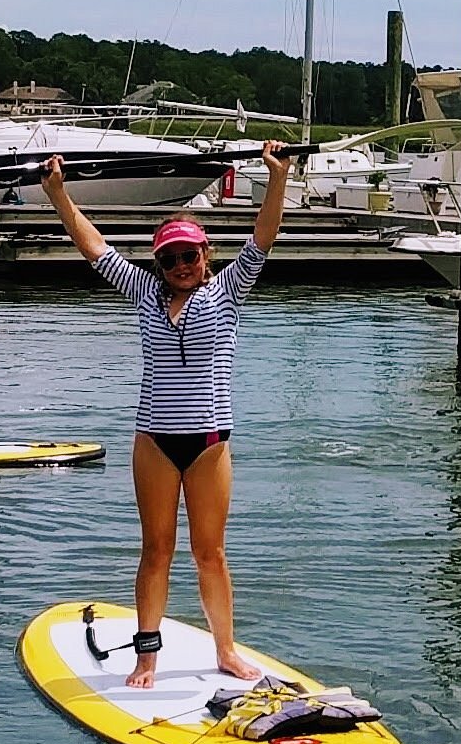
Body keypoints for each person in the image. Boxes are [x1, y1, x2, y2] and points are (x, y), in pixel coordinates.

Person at [42, 140, 295, 688]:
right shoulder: (143, 292)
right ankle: (147, 656)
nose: (181, 266)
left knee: (211, 553)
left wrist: (277, 178)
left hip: (209, 442)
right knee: (155, 550)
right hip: (154, 441)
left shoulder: (227, 291)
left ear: (206, 257)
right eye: (170, 258)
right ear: (158, 264)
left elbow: (263, 237)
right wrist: (59, 195)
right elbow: (95, 249)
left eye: (190, 256)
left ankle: (225, 649)